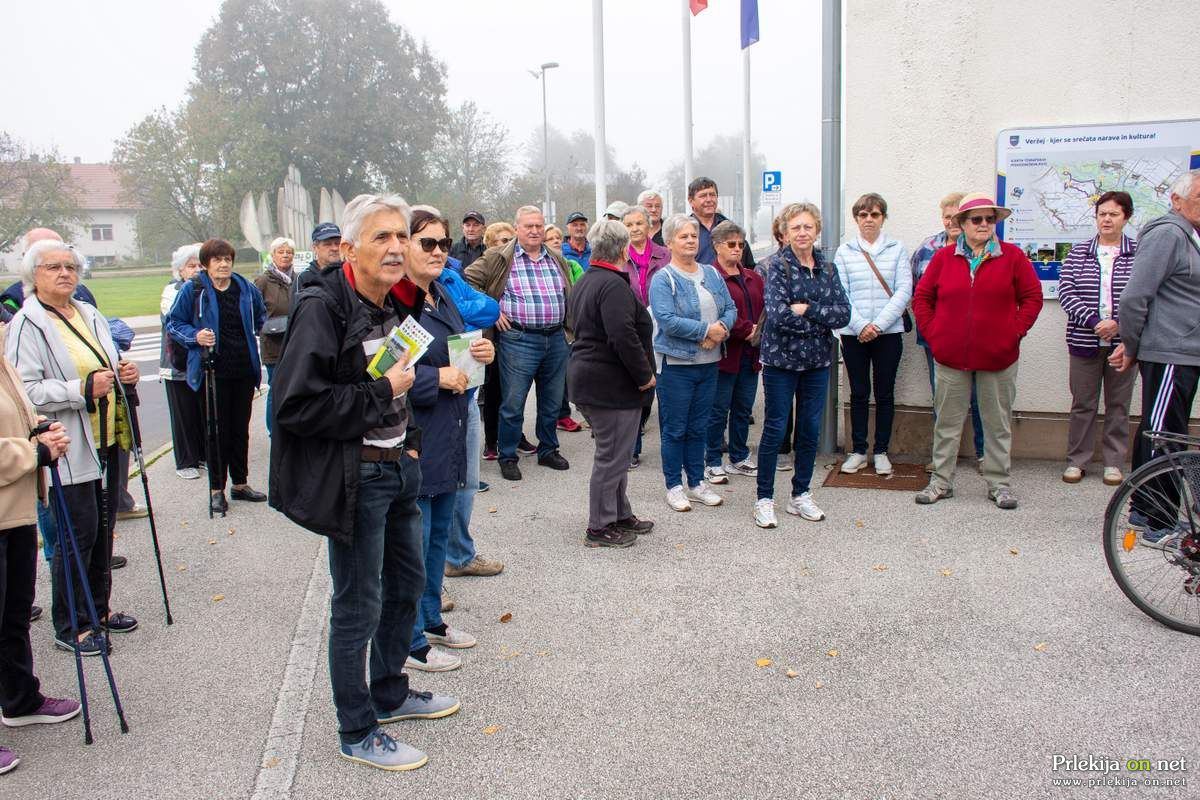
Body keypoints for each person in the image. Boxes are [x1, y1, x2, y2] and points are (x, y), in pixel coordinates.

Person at [270, 193, 458, 771]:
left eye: (402, 236)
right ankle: (357, 729)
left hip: (399, 466)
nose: (398, 248)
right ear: (348, 248)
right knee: (358, 604)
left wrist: (412, 442)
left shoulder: (391, 302)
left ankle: (390, 692)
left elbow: (406, 373)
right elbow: (294, 406)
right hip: (356, 478)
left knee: (405, 589)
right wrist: (385, 393)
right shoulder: (323, 307)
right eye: (383, 237)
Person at [6, 240, 141, 654]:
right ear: (34, 276)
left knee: (103, 532)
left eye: (70, 266)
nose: (65, 273)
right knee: (75, 536)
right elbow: (24, 391)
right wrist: (78, 389)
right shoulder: (27, 325)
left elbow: (108, 360)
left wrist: (125, 372)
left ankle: (98, 609)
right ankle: (72, 624)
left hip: (106, 437)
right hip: (67, 446)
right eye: (53, 267)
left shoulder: (88, 312)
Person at [399, 208, 494, 672]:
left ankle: (432, 619)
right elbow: (381, 376)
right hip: (417, 432)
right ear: (405, 247)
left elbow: (462, 345)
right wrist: (434, 378)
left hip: (451, 427)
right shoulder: (399, 305)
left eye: (442, 243)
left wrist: (483, 351)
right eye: (427, 244)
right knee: (415, 540)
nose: (438, 251)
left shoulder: (441, 294)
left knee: (438, 533)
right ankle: (412, 640)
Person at [912, 193, 1044, 509]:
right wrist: (936, 335)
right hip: (950, 356)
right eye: (977, 219)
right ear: (962, 223)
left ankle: (999, 484)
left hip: (998, 357)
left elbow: (1032, 298)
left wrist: (1013, 333)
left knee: (997, 424)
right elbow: (922, 299)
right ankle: (941, 482)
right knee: (946, 422)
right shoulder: (944, 259)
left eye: (989, 219)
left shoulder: (1012, 257)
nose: (984, 224)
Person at [0, 325, 81, 776]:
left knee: (13, 614)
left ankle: (19, 698)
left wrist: (40, 428)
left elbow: (19, 414)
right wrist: (32, 451)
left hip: (15, 512)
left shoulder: (3, 361)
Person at [1110, 169, 1200, 543]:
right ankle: (1155, 520)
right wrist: (1132, 345)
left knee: (1164, 431)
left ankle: (1147, 512)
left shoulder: (1189, 236)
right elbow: (1134, 297)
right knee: (1163, 436)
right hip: (1170, 352)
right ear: (1177, 201)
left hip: (1185, 353)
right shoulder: (1168, 233)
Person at [752, 203, 850, 528]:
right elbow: (778, 316)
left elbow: (844, 314)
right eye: (796, 227)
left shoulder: (828, 268)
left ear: (817, 230)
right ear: (786, 232)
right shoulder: (778, 266)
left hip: (818, 362)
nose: (802, 232)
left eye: (808, 226)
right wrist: (821, 316)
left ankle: (801, 494)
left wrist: (807, 309)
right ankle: (764, 499)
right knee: (776, 429)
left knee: (809, 429)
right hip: (781, 361)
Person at [465, 206, 574, 481]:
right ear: (517, 228)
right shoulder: (498, 256)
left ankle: (548, 449)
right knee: (513, 404)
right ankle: (508, 455)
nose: (535, 231)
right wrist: (493, 310)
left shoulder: (556, 257)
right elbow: (467, 281)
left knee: (551, 401)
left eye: (539, 225)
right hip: (518, 339)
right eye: (529, 226)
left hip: (556, 338)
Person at [568, 219, 656, 546]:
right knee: (611, 456)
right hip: (609, 386)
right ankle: (599, 525)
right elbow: (623, 336)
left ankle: (619, 513)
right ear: (623, 250)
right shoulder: (612, 284)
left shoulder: (589, 280)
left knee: (616, 454)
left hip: (593, 381)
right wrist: (644, 375)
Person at [166, 238, 268, 515]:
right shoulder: (195, 289)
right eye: (217, 260)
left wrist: (262, 331)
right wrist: (195, 336)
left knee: (240, 430)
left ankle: (240, 483)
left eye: (227, 259)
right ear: (207, 263)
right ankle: (216, 489)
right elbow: (173, 322)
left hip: (243, 369)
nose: (223, 264)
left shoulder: (245, 287)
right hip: (212, 372)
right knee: (215, 433)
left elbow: (261, 317)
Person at [649, 214, 737, 512]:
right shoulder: (664, 278)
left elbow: (730, 307)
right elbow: (667, 320)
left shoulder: (711, 273)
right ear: (670, 241)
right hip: (676, 367)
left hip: (709, 363)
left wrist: (720, 331)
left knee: (699, 427)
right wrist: (704, 331)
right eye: (684, 236)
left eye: (694, 236)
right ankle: (674, 486)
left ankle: (697, 483)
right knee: (675, 429)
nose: (690, 241)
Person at [1057, 191, 1138, 486]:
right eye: (1102, 213)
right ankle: (1077, 461)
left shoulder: (1138, 253)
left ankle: (1113, 463)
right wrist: (1095, 322)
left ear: (1126, 218)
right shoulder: (1079, 253)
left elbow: (1143, 296)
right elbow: (1066, 293)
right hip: (1084, 340)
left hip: (1123, 344)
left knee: (1118, 404)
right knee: (1083, 403)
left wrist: (1119, 325)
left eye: (1114, 214)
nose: (1107, 219)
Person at [833, 193, 912, 476]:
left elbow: (904, 290)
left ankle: (880, 451)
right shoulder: (845, 251)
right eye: (863, 215)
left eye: (874, 214)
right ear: (856, 218)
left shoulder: (896, 248)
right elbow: (840, 293)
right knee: (859, 393)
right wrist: (861, 325)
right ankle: (858, 451)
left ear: (883, 218)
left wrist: (877, 325)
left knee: (885, 393)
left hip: (888, 333)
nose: (869, 219)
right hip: (854, 334)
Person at [910, 192, 985, 472]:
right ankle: (943, 458)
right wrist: (932, 330)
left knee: (980, 398)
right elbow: (917, 294)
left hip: (977, 340)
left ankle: (984, 454)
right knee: (943, 398)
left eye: (957, 215)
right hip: (938, 341)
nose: (951, 221)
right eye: (947, 216)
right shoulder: (927, 249)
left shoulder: (985, 249)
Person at [704, 220, 764, 484]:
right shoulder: (710, 276)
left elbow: (764, 309)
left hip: (750, 354)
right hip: (724, 354)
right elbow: (715, 310)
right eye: (731, 244)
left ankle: (739, 457)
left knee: (742, 408)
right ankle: (712, 460)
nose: (737, 249)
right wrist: (744, 329)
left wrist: (758, 330)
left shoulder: (753, 277)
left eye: (741, 244)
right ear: (717, 246)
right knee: (718, 410)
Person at [476, 220, 532, 461]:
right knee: (494, 392)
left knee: (514, 393)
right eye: (501, 240)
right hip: (492, 336)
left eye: (510, 239)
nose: (506, 244)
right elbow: (469, 287)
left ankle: (515, 436)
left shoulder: (518, 261)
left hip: (516, 337)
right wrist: (494, 310)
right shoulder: (488, 261)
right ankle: (491, 441)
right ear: (490, 244)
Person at [620, 205, 671, 468]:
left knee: (665, 391)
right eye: (629, 225)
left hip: (664, 331)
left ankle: (670, 451)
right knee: (634, 391)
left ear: (649, 226)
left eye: (639, 223)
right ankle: (632, 449)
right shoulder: (618, 256)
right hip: (632, 330)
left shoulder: (665, 255)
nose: (635, 228)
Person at [160, 244, 205, 479]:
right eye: (191, 265)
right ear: (180, 270)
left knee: (200, 411)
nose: (197, 269)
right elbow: (176, 322)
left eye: (200, 265)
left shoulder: (202, 289)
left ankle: (201, 455)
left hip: (199, 362)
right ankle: (185, 461)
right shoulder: (173, 291)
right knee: (182, 413)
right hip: (177, 363)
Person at [255, 237, 297, 436]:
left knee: (294, 386)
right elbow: (253, 310)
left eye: (289, 252)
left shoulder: (298, 280)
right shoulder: (263, 281)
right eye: (281, 252)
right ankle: (274, 429)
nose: (285, 255)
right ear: (272, 256)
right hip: (273, 343)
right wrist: (265, 326)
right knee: (276, 387)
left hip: (295, 341)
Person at [688, 177, 755, 269]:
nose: (709, 199)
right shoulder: (684, 231)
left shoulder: (731, 229)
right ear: (691, 201)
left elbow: (748, 265)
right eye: (703, 196)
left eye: (712, 195)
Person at [293, 222, 343, 297]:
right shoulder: (304, 278)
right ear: (315, 248)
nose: (335, 248)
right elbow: (296, 306)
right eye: (328, 244)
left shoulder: (349, 273)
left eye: (337, 243)